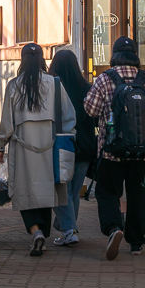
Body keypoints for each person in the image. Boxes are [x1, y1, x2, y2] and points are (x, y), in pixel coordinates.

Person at [83, 35, 145, 259]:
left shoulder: (105, 79)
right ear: (135, 56)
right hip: (142, 153)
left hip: (111, 151)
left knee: (107, 193)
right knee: (138, 197)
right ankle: (136, 243)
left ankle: (114, 229)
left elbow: (91, 110)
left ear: (114, 56)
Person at [0, 43, 77, 256]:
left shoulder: (14, 85)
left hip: (22, 148)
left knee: (24, 190)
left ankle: (35, 231)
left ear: (22, 60)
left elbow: (6, 122)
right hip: (50, 147)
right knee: (46, 189)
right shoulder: (54, 83)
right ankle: (43, 231)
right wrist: (68, 138)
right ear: (42, 59)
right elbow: (68, 116)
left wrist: (1, 145)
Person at [48, 48, 97, 246]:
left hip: (61, 145)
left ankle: (69, 230)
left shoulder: (53, 89)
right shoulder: (87, 88)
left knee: (61, 190)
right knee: (74, 190)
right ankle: (68, 227)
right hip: (85, 147)